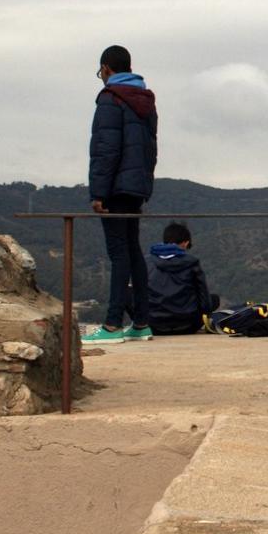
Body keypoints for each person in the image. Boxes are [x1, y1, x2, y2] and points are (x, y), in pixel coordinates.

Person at [83, 45, 158, 344]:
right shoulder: (146, 100)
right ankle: (141, 322)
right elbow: (150, 148)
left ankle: (112, 324)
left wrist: (98, 193)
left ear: (106, 68)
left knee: (118, 254)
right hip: (136, 186)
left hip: (114, 187)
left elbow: (105, 149)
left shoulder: (110, 99)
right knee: (133, 251)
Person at [145, 222, 219, 335]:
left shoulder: (147, 262)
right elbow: (204, 300)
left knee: (126, 290)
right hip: (188, 325)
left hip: (153, 325)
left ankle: (137, 327)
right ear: (185, 243)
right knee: (214, 299)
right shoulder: (192, 262)